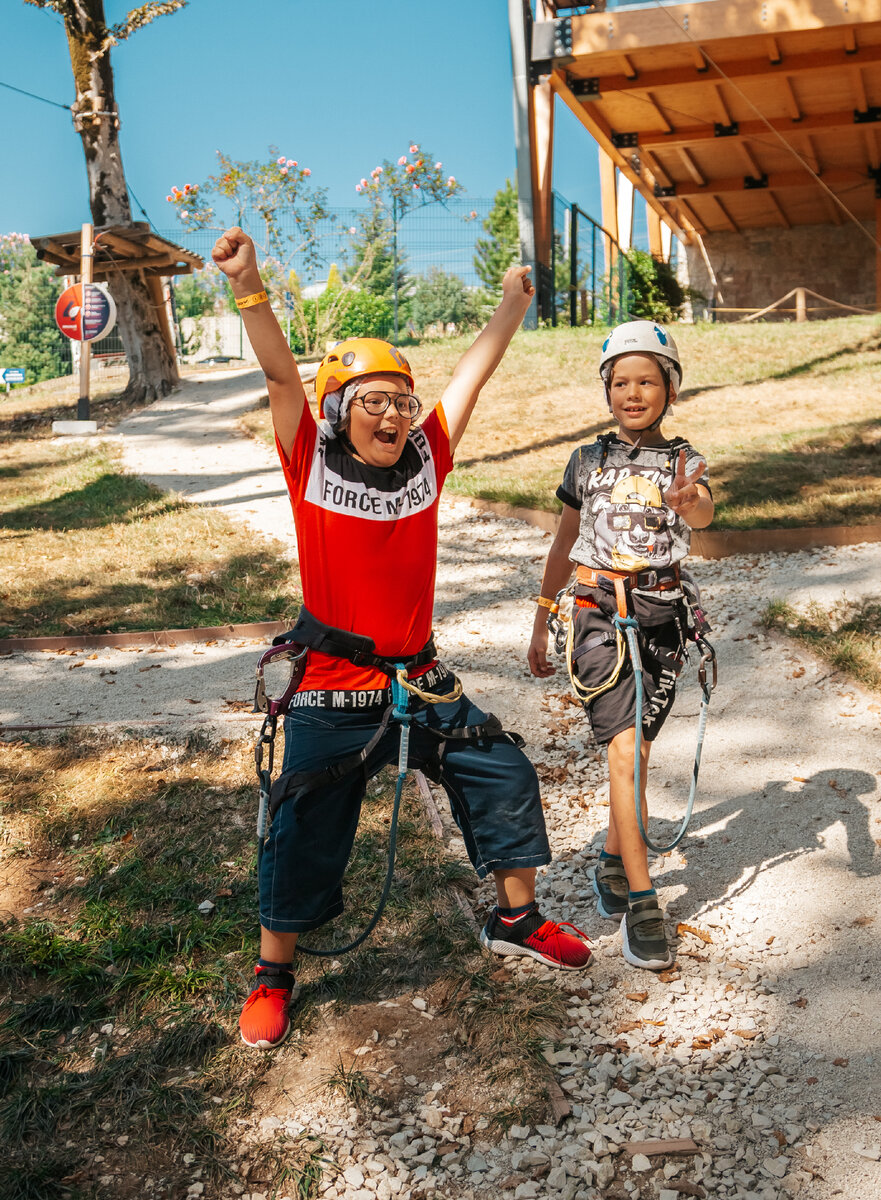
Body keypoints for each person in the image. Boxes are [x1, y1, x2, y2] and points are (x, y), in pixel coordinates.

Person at [212, 228, 591, 1049]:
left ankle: (515, 919)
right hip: (330, 684)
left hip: (419, 678)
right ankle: (273, 974)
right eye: (372, 402)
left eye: (400, 400)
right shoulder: (307, 456)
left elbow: (472, 373)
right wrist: (249, 285)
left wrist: (511, 308)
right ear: (340, 412)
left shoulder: (428, 456)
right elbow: (281, 373)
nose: (391, 413)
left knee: (501, 767)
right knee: (301, 819)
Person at [527, 321, 714, 971]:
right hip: (599, 618)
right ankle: (642, 899)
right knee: (626, 755)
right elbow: (562, 542)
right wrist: (541, 615)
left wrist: (691, 502)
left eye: (647, 380)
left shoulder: (684, 460)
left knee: (634, 756)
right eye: (620, 382)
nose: (633, 393)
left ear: (670, 387)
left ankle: (611, 859)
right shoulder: (587, 461)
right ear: (606, 389)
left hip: (663, 621)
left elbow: (703, 511)